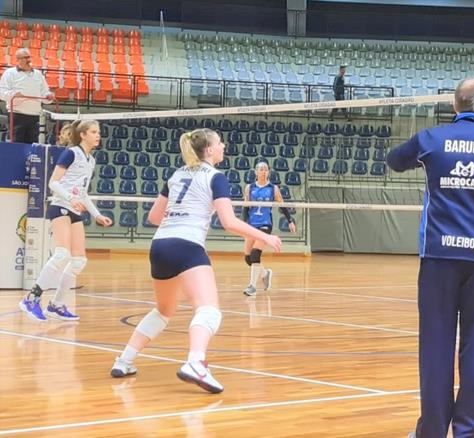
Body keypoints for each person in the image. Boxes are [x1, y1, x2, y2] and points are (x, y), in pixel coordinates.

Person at [386, 78, 474, 438]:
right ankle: (470, 431)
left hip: (438, 256)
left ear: (454, 107)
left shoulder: (430, 140)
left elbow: (394, 161)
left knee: (435, 344)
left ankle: (432, 431)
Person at [109, 128, 282, 394]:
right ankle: (195, 362)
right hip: (187, 245)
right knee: (209, 309)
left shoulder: (177, 174)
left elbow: (154, 217)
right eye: (219, 142)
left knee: (163, 310)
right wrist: (266, 237)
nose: (223, 145)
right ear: (209, 150)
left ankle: (124, 360)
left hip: (160, 245)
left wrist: (182, 214)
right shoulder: (216, 177)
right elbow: (229, 222)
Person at [19, 119, 112, 322]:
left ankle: (57, 305)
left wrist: (97, 214)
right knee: (62, 254)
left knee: (79, 260)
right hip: (60, 206)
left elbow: (84, 194)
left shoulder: (91, 160)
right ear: (83, 135)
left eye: (99, 132)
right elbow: (53, 183)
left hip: (74, 209)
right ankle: (31, 298)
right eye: (94, 132)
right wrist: (71, 198)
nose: (98, 135)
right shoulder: (71, 153)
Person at [242, 161, 296, 297]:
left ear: (269, 172)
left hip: (265, 224)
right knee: (248, 258)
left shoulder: (273, 188)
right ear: (256, 172)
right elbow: (245, 207)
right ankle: (265, 274)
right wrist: (244, 224)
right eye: (261, 169)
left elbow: (282, 205)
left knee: (255, 254)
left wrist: (290, 220)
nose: (263, 171)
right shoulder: (249, 188)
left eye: (266, 169)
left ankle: (252, 287)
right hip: (251, 225)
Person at [0, 48, 54, 143]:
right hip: (17, 114)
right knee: (16, 144)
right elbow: (2, 92)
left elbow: (44, 91)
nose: (28, 60)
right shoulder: (9, 73)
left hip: (34, 115)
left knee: (32, 145)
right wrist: (15, 95)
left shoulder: (38, 74)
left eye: (29, 57)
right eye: (25, 57)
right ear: (18, 59)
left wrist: (48, 96)